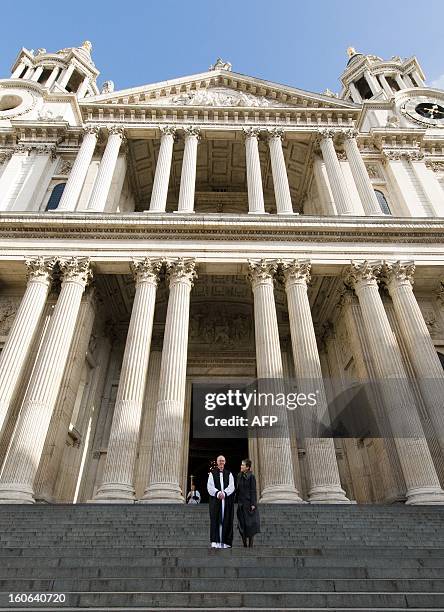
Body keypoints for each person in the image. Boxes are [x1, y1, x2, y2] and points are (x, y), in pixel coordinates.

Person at [207, 455, 235, 549]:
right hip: (216, 500)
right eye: (220, 461)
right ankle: (215, 542)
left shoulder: (229, 473)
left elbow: (232, 486)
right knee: (215, 520)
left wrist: (225, 493)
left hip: (226, 501)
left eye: (223, 461)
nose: (221, 462)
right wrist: (218, 493)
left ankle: (226, 542)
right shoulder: (212, 473)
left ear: (225, 462)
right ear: (217, 462)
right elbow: (209, 486)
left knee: (226, 520)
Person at [236, 458, 260, 547]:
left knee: (250, 524)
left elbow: (253, 490)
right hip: (241, 504)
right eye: (241, 465)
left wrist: (253, 503)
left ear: (248, 467)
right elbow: (237, 489)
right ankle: (244, 544)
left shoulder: (251, 477)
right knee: (241, 524)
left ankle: (250, 544)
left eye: (243, 465)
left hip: (249, 504)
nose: (241, 466)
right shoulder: (239, 476)